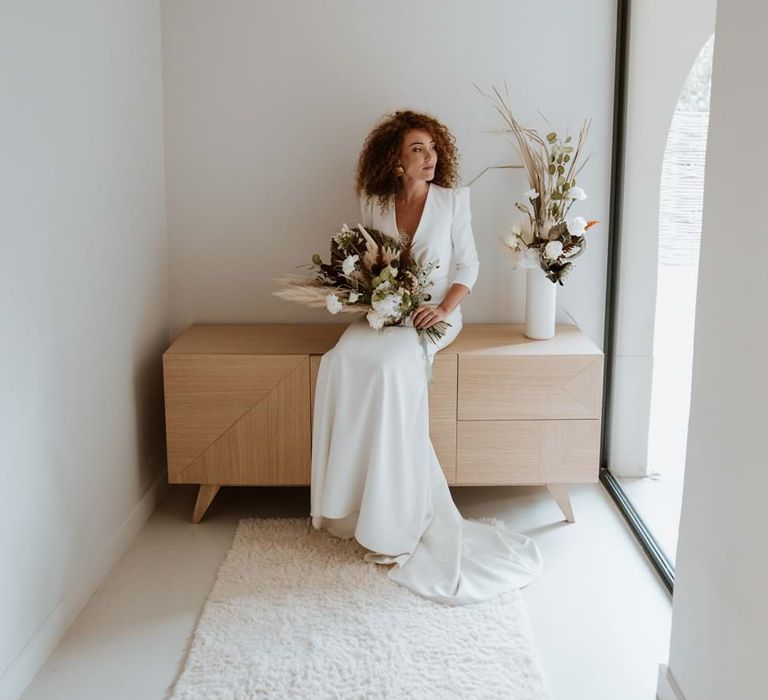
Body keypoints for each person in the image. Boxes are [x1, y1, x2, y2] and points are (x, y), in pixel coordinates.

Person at [309, 109, 543, 606]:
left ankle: (396, 517)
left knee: (394, 370)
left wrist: (441, 308)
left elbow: (468, 264)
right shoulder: (374, 202)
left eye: (434, 149)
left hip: (437, 315)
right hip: (386, 314)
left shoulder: (454, 202)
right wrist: (374, 297)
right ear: (396, 159)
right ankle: (349, 507)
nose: (430, 157)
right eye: (418, 149)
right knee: (343, 360)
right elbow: (371, 262)